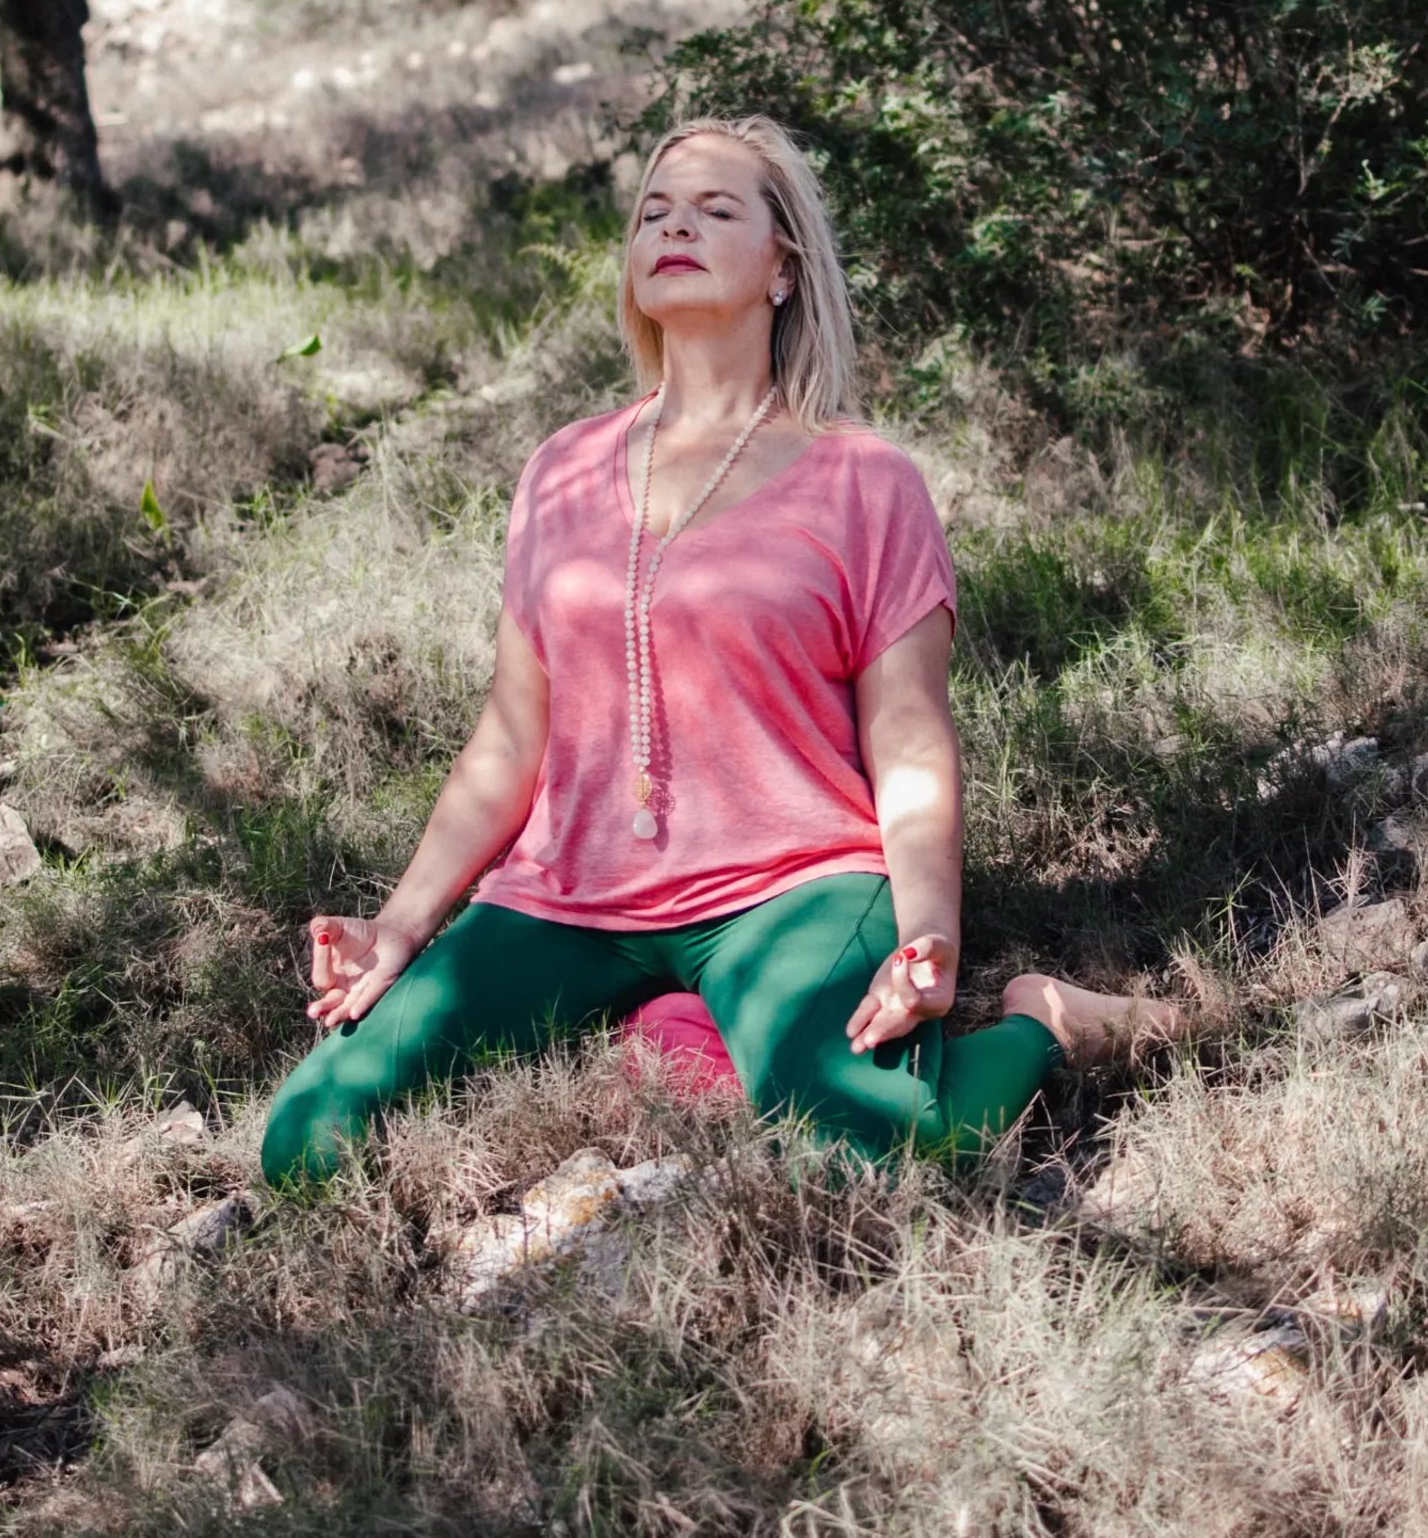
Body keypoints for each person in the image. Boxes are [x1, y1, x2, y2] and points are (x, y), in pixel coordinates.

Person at [259, 115, 1189, 1187]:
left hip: (790, 886)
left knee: (878, 1146)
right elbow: (510, 738)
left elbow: (908, 735)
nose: (673, 227)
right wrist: (399, 925)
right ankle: (681, 1021)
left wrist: (929, 936)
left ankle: (1045, 1020)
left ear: (784, 267)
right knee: (304, 1140)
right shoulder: (560, 469)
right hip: (569, 897)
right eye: (654, 212)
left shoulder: (864, 480)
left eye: (713, 209)